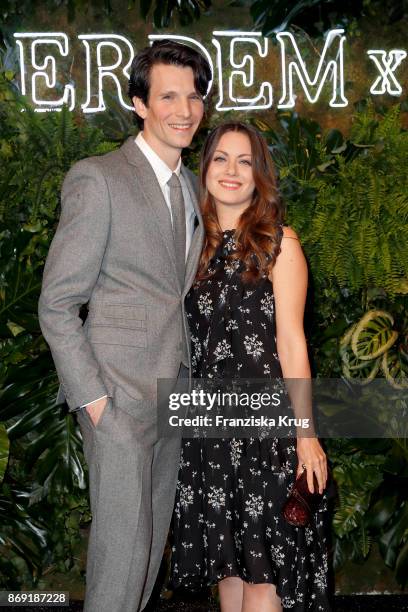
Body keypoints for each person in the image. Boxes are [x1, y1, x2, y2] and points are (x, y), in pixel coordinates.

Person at [38, 40, 211, 612]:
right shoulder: (100, 177)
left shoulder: (190, 187)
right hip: (118, 400)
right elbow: (58, 304)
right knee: (118, 566)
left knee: (146, 562)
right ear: (139, 102)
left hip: (173, 400)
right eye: (168, 96)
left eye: (193, 96)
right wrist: (95, 403)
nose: (184, 110)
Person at [171, 122, 331, 611]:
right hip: (209, 433)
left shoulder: (280, 244)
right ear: (204, 170)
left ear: (259, 174)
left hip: (266, 432)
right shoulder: (188, 249)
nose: (232, 171)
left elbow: (291, 342)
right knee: (230, 572)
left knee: (265, 575)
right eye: (221, 158)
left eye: (245, 161)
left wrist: (306, 435)